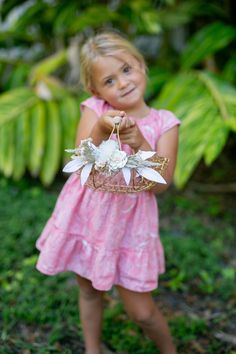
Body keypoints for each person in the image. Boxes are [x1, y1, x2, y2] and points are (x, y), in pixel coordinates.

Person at [36, 31, 180, 354]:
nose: (123, 83)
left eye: (127, 70)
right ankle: (92, 349)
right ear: (95, 89)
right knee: (88, 290)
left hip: (130, 226)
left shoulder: (166, 124)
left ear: (141, 65)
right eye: (110, 81)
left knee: (141, 311)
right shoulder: (95, 110)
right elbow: (82, 160)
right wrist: (102, 129)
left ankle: (169, 350)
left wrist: (140, 143)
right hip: (89, 217)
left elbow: (161, 184)